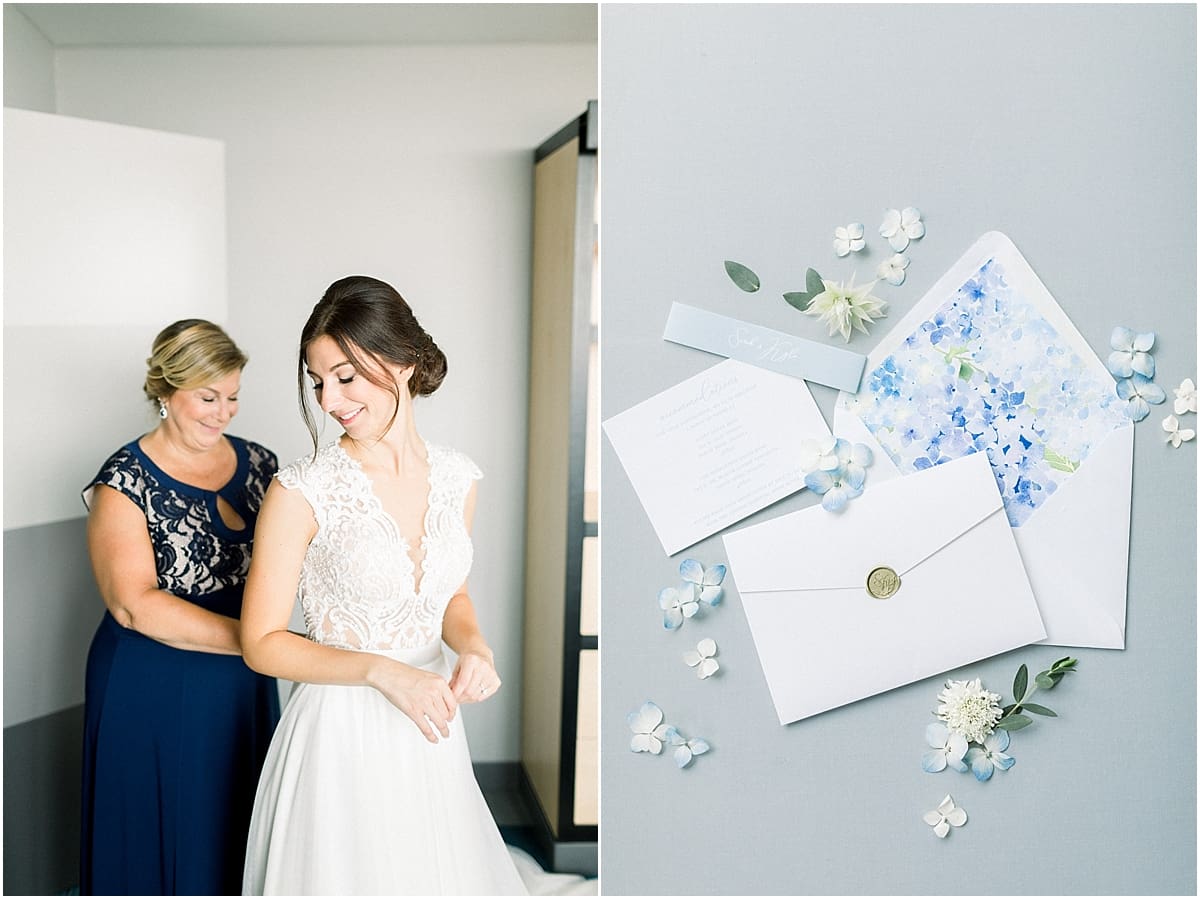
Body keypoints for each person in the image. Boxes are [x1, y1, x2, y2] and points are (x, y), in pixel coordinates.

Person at [240, 275, 529, 895]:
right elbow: (260, 642)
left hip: (430, 728)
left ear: (404, 361)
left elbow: (450, 596)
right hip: (340, 732)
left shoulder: (459, 477)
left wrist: (475, 648)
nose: (329, 399)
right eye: (318, 382)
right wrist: (381, 671)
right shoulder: (302, 491)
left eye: (345, 376)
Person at [80, 319, 282, 895]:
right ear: (165, 392)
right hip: (151, 680)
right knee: (159, 832)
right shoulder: (124, 481)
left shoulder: (263, 466)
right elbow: (133, 605)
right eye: (208, 397)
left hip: (242, 678)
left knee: (236, 820)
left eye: (234, 397)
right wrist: (262, 641)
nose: (223, 412)